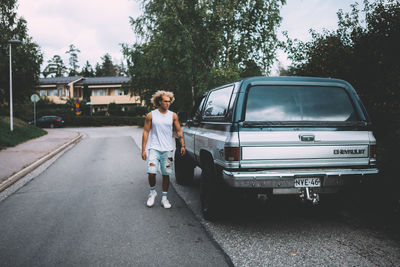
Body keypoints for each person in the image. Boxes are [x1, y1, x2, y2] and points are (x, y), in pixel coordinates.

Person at [141, 90, 185, 209]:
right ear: (160, 102)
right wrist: (143, 149)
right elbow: (146, 131)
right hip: (154, 148)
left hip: (168, 150)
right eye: (165, 101)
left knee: (166, 174)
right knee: (151, 172)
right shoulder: (151, 115)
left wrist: (182, 145)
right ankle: (152, 192)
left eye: (169, 101)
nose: (167, 103)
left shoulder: (173, 115)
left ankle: (164, 198)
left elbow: (179, 131)